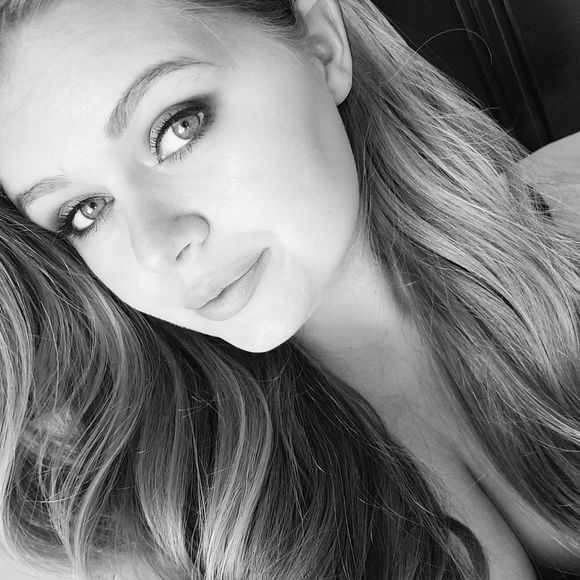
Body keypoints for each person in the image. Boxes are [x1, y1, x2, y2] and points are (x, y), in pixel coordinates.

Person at [0, 0, 578, 578]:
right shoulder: (148, 531)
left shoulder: (564, 223)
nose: (154, 248)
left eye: (177, 129)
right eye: (85, 211)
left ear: (321, 43)